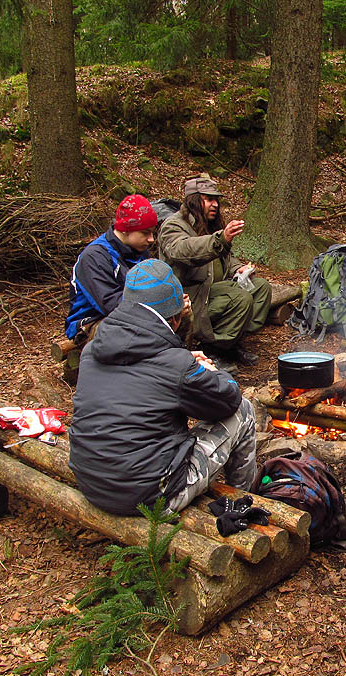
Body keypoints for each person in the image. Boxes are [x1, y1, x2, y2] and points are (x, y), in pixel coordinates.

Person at [69, 259, 258, 516]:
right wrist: (212, 373)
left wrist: (186, 364)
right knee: (244, 411)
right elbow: (227, 399)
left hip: (92, 483)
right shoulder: (174, 365)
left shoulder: (92, 349)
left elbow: (149, 371)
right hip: (150, 496)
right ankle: (243, 500)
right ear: (175, 319)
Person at [158, 175, 271, 371]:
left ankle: (231, 342)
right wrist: (220, 239)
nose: (215, 204)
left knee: (261, 288)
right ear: (193, 200)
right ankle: (213, 349)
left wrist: (238, 268)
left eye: (216, 200)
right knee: (240, 298)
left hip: (213, 289)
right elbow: (183, 250)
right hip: (191, 296)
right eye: (209, 199)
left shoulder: (208, 225)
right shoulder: (173, 225)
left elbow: (223, 259)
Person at [64, 194, 156, 340]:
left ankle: (178, 358)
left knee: (182, 314)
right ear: (126, 229)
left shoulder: (140, 251)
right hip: (92, 322)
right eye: (145, 233)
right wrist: (156, 304)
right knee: (129, 329)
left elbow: (154, 285)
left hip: (133, 313)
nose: (151, 239)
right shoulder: (94, 257)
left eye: (152, 232)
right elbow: (110, 304)